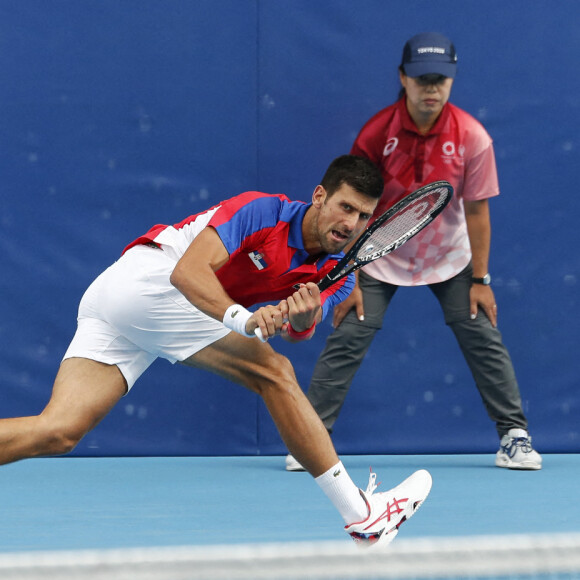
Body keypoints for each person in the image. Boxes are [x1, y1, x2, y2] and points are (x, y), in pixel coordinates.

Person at [0, 155, 431, 548]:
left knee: (58, 431)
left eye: (364, 216)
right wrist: (241, 319)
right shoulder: (263, 211)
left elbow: (298, 332)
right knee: (274, 373)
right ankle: (362, 517)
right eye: (346, 207)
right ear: (320, 196)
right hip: (149, 281)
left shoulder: (340, 276)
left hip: (135, 315)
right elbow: (188, 273)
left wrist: (300, 316)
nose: (353, 223)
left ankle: (362, 518)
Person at [286, 33, 542, 472]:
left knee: (482, 336)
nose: (432, 88)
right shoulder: (376, 133)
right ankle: (312, 441)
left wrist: (480, 280)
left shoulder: (472, 137)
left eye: (441, 79)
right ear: (402, 78)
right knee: (349, 335)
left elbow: (477, 212)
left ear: (451, 81)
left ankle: (514, 437)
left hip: (450, 257)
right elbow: (352, 209)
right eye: (423, 78)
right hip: (379, 255)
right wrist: (349, 275)